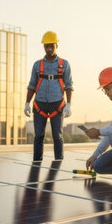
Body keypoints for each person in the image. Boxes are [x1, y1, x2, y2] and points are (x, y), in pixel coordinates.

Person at [24, 31, 73, 161]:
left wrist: (69, 104)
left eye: (51, 46)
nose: (49, 49)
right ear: (43, 47)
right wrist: (27, 103)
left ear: (56, 45)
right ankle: (37, 163)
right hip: (39, 104)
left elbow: (68, 85)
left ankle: (59, 163)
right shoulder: (37, 65)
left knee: (57, 136)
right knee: (39, 136)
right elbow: (32, 85)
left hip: (57, 104)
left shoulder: (64, 64)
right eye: (46, 46)